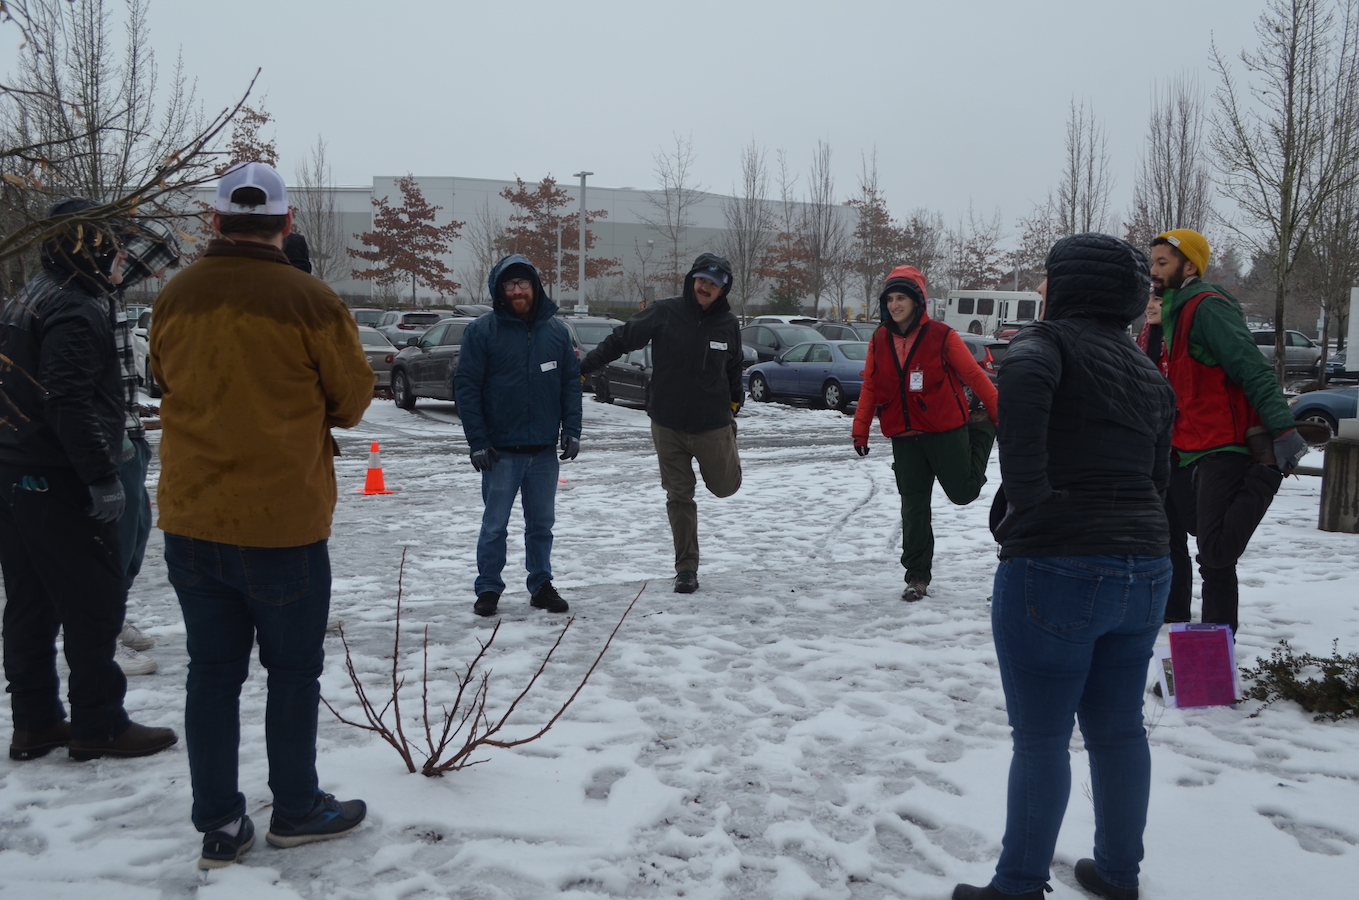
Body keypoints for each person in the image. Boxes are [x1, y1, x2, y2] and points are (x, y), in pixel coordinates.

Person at [151, 162, 376, 869]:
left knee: (211, 674)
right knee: (291, 672)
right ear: (286, 223)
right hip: (282, 525)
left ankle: (219, 822)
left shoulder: (175, 295)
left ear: (214, 220)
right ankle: (297, 808)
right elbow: (352, 398)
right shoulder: (310, 301)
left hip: (192, 520)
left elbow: (161, 376)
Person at [954, 233, 1177, 900]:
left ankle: (1017, 885)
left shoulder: (1041, 345)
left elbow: (1018, 420)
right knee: (1117, 731)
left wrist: (1030, 506)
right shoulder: (1149, 372)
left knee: (1042, 736)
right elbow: (1157, 476)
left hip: (1056, 567)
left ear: (1066, 286)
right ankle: (1117, 873)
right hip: (1145, 564)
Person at [0, 197, 178, 763]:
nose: (122, 259)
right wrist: (101, 476)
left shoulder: (29, 295)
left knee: (29, 601)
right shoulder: (76, 307)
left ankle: (35, 721)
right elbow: (68, 398)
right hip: (60, 475)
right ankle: (98, 722)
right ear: (92, 247)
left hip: (18, 468)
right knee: (92, 600)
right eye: (114, 247)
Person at [1152, 228, 1304, 636]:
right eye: (1153, 263)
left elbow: (1251, 368)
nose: (1153, 271)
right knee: (1177, 536)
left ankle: (1214, 661)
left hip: (1222, 444)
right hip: (1184, 447)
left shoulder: (1207, 308)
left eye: (1162, 263)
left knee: (1216, 556)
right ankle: (1177, 632)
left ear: (1189, 266)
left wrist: (1282, 430)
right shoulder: (1171, 313)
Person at [578, 253, 743, 594]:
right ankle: (686, 568)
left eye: (713, 284)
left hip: (712, 425)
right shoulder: (665, 312)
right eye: (701, 280)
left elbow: (733, 365)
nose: (705, 287)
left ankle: (729, 442)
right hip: (667, 423)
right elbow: (621, 339)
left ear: (723, 290)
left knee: (726, 487)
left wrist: (734, 404)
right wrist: (583, 367)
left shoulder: (727, 324)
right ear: (691, 280)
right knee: (679, 495)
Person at [851, 265, 997, 601]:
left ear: (917, 301)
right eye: (889, 298)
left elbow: (975, 377)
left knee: (963, 492)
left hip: (945, 430)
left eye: (901, 297)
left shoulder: (943, 336)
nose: (894, 305)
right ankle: (917, 577)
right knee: (913, 507)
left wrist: (997, 415)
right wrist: (860, 430)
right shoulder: (879, 339)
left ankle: (982, 430)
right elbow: (871, 385)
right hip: (904, 437)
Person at [454, 253, 582, 617]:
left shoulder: (556, 332)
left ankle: (541, 584)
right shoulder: (482, 332)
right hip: (500, 452)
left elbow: (571, 383)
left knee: (541, 525)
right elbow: (466, 387)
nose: (517, 290)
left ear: (535, 287)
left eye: (523, 283)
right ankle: (489, 588)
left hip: (542, 452)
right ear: (499, 290)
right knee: (494, 526)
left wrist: (571, 428)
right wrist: (477, 441)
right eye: (509, 285)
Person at [110, 219, 182, 677]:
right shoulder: (81, 298)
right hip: (107, 435)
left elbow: (161, 241)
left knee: (136, 531)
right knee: (111, 539)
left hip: (127, 427)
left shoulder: (108, 291)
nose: (156, 276)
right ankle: (99, 633)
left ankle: (111, 617)